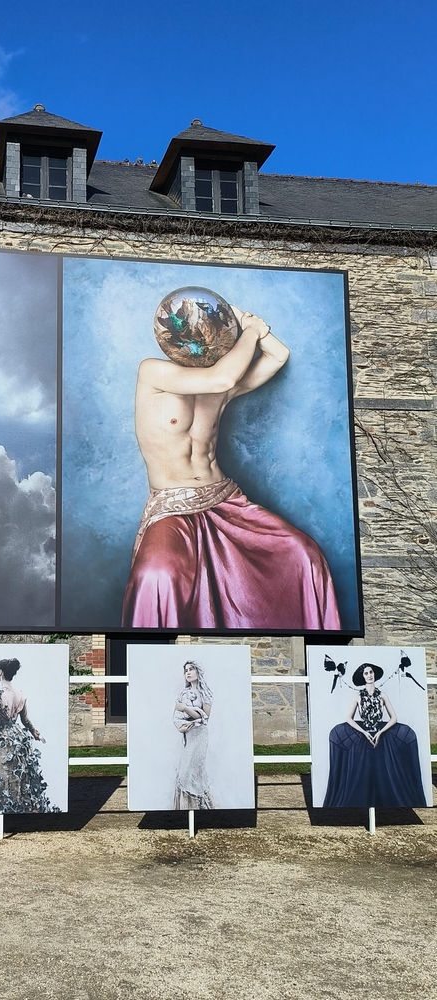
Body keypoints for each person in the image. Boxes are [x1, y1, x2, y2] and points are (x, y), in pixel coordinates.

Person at [122, 305, 341, 630]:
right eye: (192, 331)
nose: (199, 339)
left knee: (302, 552)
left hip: (224, 499)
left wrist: (241, 317)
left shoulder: (221, 390)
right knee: (157, 574)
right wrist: (251, 332)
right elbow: (222, 377)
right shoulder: (154, 372)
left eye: (206, 330)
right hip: (172, 506)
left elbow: (278, 355)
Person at [323, 662, 426, 808]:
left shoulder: (383, 695)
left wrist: (381, 732)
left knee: (388, 768)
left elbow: (393, 718)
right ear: (363, 677)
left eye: (371, 672)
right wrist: (364, 732)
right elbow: (349, 718)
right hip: (363, 738)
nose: (369, 675)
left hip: (381, 738)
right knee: (360, 772)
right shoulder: (357, 696)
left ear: (374, 674)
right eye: (366, 673)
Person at [0, 657, 58, 815]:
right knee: (19, 774)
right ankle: (20, 808)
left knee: (4, 776)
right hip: (19, 738)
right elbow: (25, 720)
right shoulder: (20, 695)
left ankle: (6, 810)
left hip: (5, 740)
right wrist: (35, 733)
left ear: (1, 672)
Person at [173, 660, 215, 810]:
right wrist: (181, 728)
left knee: (195, 771)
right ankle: (184, 808)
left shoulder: (205, 693)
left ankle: (201, 807)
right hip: (188, 737)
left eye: (191, 669)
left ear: (198, 671)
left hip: (200, 736)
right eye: (186, 670)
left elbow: (205, 717)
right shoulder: (183, 694)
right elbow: (176, 716)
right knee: (184, 772)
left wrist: (185, 708)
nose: (188, 673)